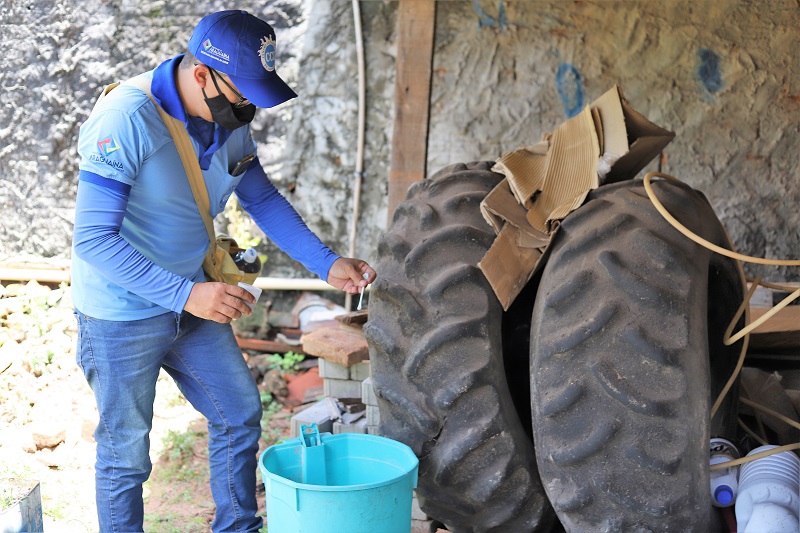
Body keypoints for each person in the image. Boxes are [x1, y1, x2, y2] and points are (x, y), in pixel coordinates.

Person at [71, 10, 375, 533]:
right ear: (202, 75)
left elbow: (263, 200)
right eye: (243, 94)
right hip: (122, 313)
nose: (249, 107)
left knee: (237, 413)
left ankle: (237, 527)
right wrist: (187, 295)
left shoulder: (229, 121)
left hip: (192, 299)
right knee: (125, 454)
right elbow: (93, 239)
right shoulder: (125, 119)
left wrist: (327, 263)